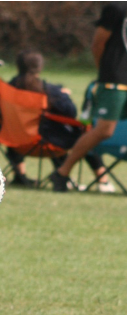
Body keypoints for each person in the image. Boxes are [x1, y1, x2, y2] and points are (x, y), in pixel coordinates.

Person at [50, 1, 127, 192]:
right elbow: (97, 44)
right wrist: (106, 72)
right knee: (104, 131)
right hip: (114, 81)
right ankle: (62, 172)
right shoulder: (117, 8)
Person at [5, 50, 109, 188]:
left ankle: (20, 176)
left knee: (51, 129)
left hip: (14, 141)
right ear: (40, 67)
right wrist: (64, 94)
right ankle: (102, 181)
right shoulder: (49, 90)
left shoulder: (6, 89)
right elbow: (70, 112)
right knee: (85, 136)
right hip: (44, 143)